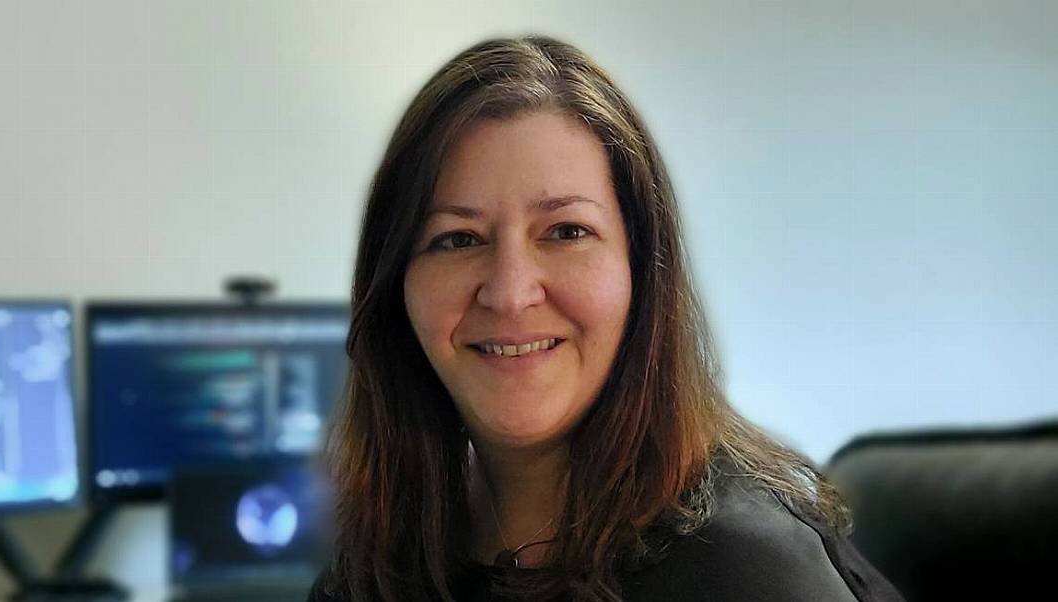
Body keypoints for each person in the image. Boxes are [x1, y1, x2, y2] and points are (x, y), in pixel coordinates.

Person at [307, 36, 904, 602]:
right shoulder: (381, 562)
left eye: (567, 232)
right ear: (394, 288)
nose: (511, 293)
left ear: (642, 272)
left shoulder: (746, 571)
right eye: (458, 238)